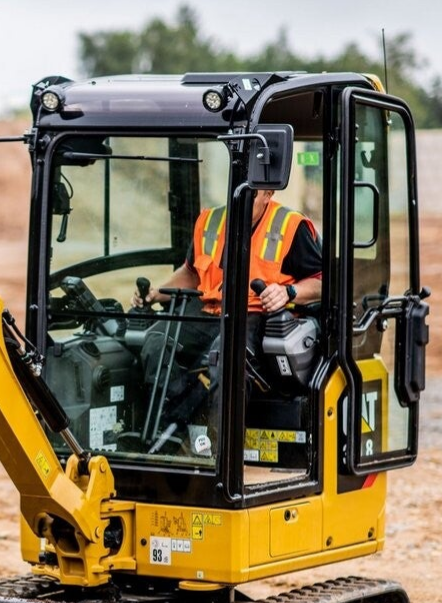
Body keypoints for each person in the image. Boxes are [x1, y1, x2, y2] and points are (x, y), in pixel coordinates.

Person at [130, 190, 322, 454]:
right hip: (209, 310)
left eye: (252, 194)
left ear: (268, 193)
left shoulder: (290, 227)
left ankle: (218, 455)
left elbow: (322, 282)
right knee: (156, 341)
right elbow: (191, 273)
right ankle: (174, 431)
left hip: (256, 315)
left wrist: (288, 292)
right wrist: (156, 293)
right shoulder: (210, 222)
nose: (240, 200)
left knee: (225, 355)